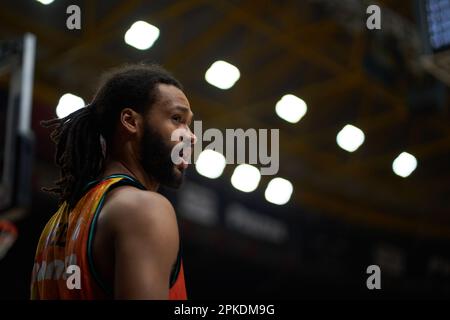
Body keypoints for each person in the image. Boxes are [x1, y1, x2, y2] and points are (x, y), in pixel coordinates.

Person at [30, 63, 195, 299]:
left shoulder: (57, 224)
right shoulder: (143, 209)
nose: (190, 135)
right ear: (130, 121)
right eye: (177, 119)